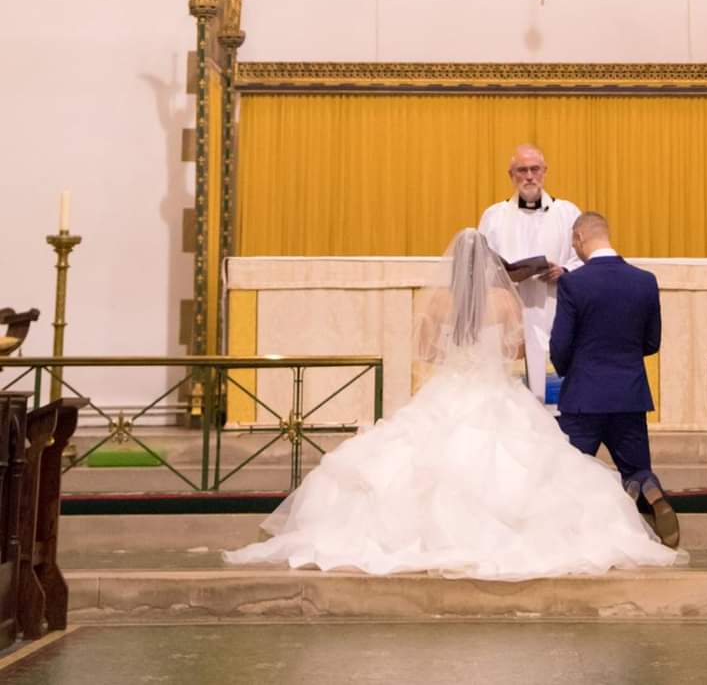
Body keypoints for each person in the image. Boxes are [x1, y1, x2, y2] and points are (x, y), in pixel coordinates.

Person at [224, 231, 680, 578]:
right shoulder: (504, 301)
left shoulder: (439, 301)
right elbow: (515, 353)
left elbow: (426, 353)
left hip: (449, 390)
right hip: (495, 392)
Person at [550, 212, 680, 550]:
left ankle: (568, 541)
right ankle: (647, 485)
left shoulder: (574, 283)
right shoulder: (644, 281)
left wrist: (570, 371)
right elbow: (651, 342)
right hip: (629, 394)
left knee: (568, 472)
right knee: (635, 467)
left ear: (579, 238)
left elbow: (560, 344)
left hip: (584, 396)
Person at [478, 146, 581, 398]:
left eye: (535, 169)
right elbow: (480, 262)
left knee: (551, 385)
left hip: (553, 306)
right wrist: (503, 273)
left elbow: (582, 257)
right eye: (522, 170)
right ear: (511, 175)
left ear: (545, 171)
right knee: (510, 394)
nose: (529, 176)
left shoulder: (568, 213)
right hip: (508, 311)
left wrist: (564, 270)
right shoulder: (494, 216)